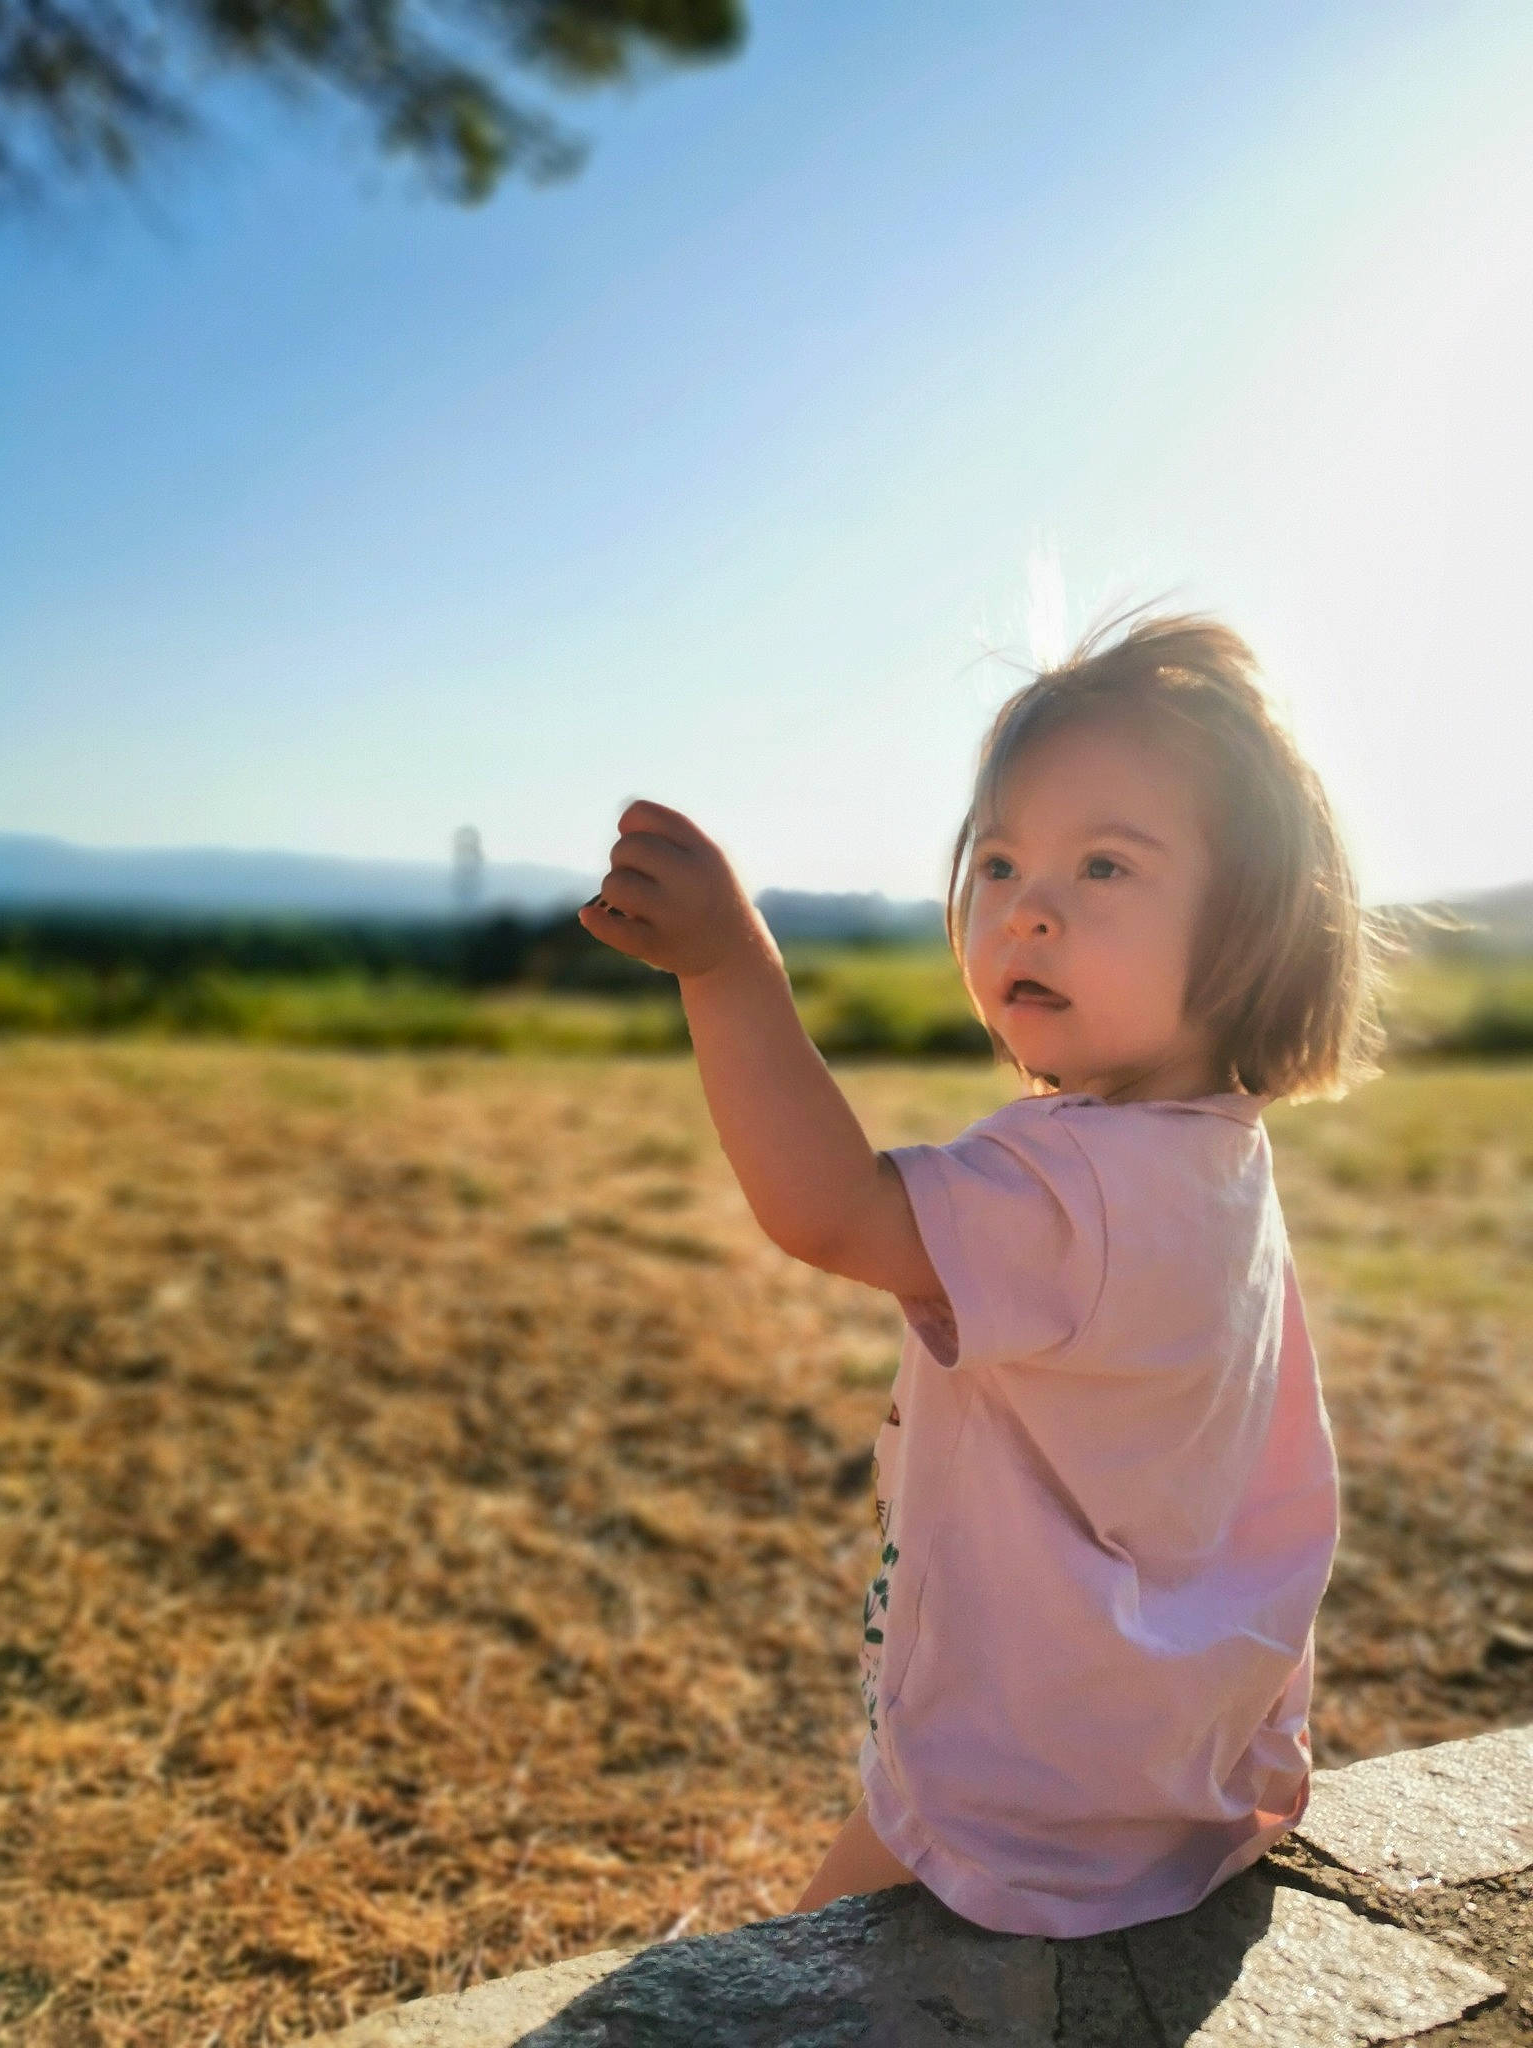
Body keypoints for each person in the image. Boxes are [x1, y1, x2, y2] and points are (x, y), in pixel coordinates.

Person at [577, 607, 1392, 1940]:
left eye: (1107, 868)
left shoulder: (1074, 1188)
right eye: (1001, 861)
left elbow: (832, 1209)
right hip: (1179, 1763)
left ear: (1254, 928)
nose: (1030, 907)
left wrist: (729, 967)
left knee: (789, 1982)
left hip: (1029, 1799)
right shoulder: (1211, 1163)